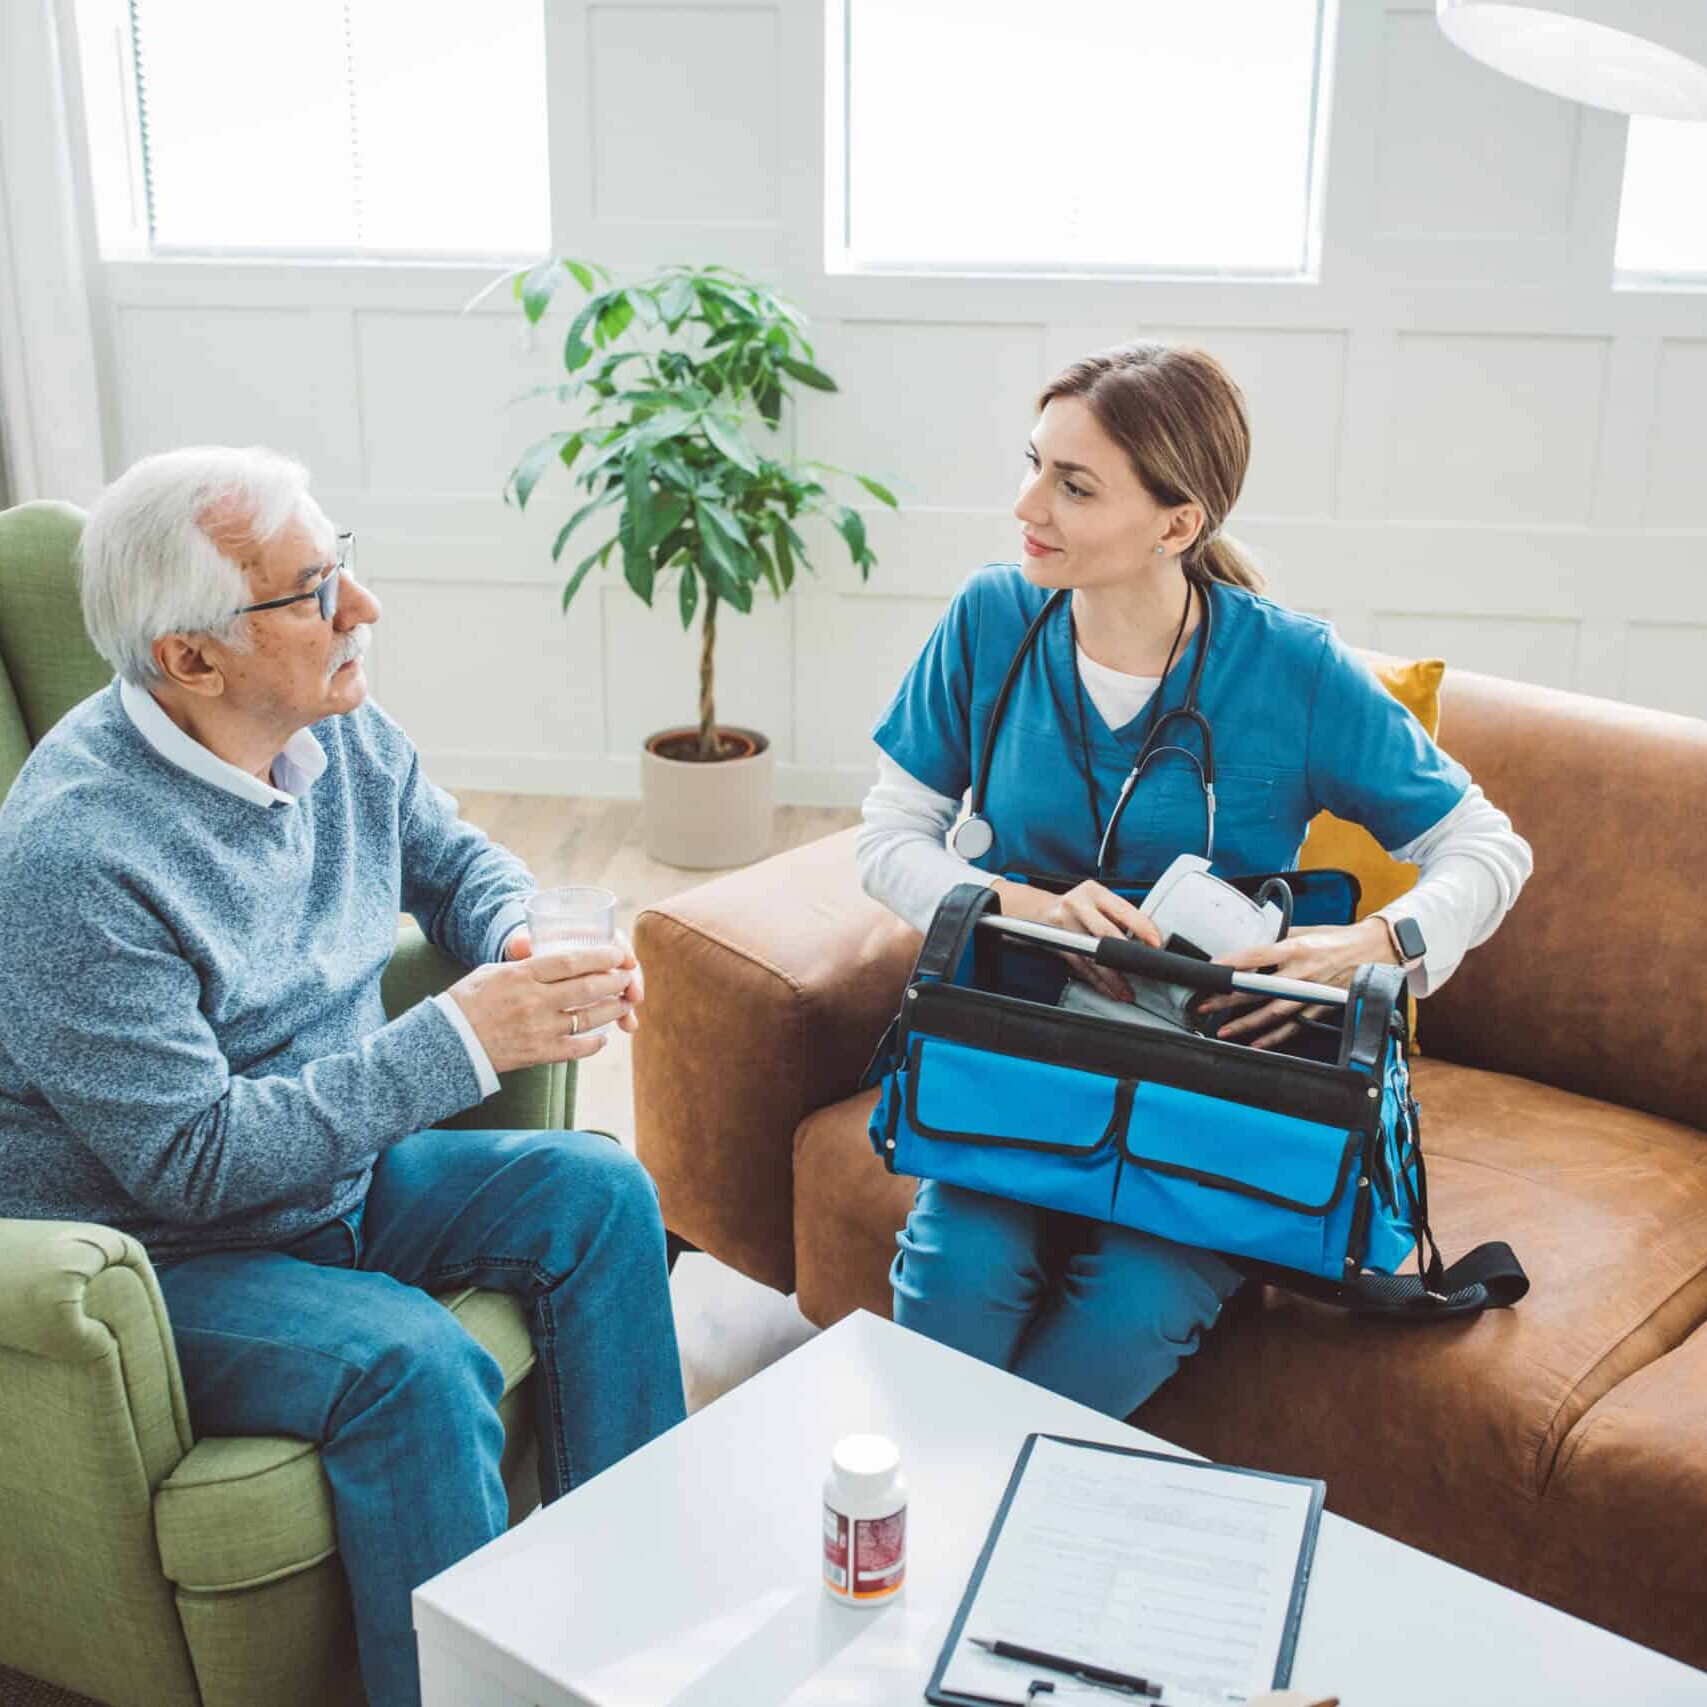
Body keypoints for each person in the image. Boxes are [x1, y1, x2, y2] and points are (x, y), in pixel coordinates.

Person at [0, 446, 686, 1707]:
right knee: (406, 1362)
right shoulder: (72, 859)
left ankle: (635, 1619)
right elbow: (193, 1165)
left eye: (344, 564)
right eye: (313, 590)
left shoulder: (335, 720)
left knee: (599, 1193)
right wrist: (468, 1036)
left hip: (333, 1179)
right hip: (161, 1253)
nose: (361, 609)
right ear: (191, 659)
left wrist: (523, 935)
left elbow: (455, 859)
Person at [857, 343, 1532, 1419]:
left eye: (1074, 486)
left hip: (1217, 1072)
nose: (1028, 504)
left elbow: (1489, 847)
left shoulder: (1293, 671)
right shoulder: (992, 620)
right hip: (1030, 1039)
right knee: (960, 1266)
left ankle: (995, 1526)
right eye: (1033, 464)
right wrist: (1024, 905)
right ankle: (935, 1533)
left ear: (1177, 525)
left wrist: (1377, 946)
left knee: (1138, 1295)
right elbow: (889, 836)